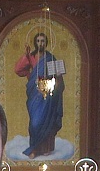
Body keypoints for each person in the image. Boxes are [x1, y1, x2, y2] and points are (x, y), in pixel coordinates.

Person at [14, 31, 65, 159]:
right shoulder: (31, 57)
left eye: (42, 41)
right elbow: (18, 70)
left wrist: (57, 80)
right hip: (34, 94)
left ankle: (46, 148)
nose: (40, 43)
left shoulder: (51, 58)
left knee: (48, 120)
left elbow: (58, 78)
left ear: (46, 43)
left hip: (48, 95)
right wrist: (26, 57)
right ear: (35, 43)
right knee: (35, 122)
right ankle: (34, 149)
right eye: (38, 41)